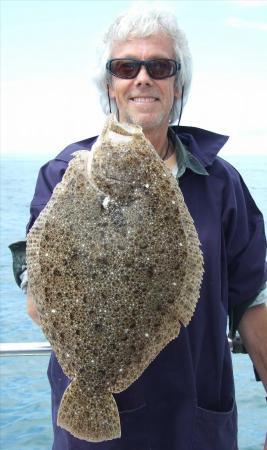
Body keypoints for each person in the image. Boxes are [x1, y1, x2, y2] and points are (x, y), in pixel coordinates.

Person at [25, 7, 267, 450]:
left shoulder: (221, 181)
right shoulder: (63, 174)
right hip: (95, 435)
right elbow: (35, 292)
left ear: (177, 85)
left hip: (197, 424)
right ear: (110, 84)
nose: (142, 78)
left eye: (159, 66)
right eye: (125, 67)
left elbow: (254, 300)